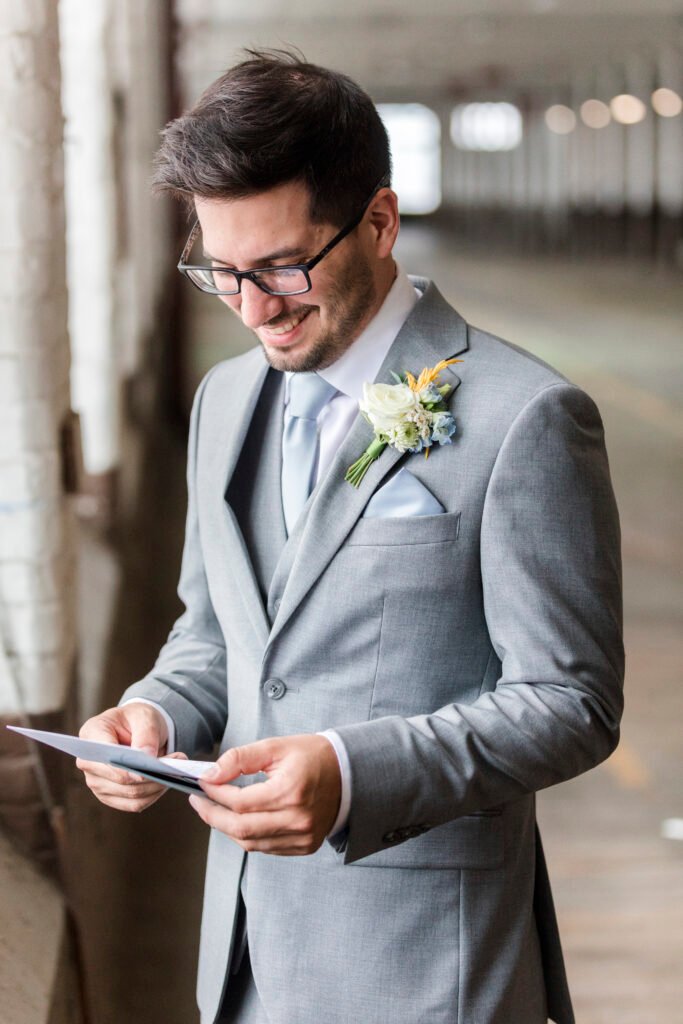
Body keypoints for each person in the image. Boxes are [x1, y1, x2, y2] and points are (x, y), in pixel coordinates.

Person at [77, 50, 624, 1024]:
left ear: (378, 221)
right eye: (221, 272)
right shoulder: (224, 401)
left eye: (282, 268)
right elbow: (220, 633)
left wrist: (350, 770)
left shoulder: (522, 417)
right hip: (244, 961)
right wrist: (155, 716)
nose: (252, 310)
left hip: (427, 975)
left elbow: (569, 701)